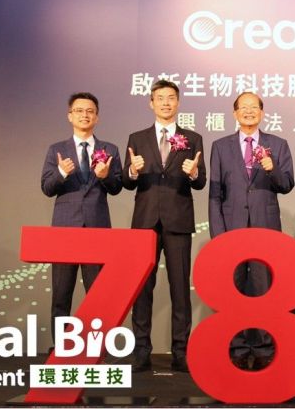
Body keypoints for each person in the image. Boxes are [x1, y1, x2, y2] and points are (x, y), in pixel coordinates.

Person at [123, 80, 206, 373]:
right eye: (160, 98)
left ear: (178, 102)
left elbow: (201, 181)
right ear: (151, 103)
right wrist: (133, 170)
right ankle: (141, 351)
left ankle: (181, 352)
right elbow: (125, 181)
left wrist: (193, 173)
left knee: (180, 287)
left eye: (171, 98)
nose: (166, 103)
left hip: (178, 219)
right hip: (145, 221)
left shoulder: (192, 138)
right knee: (142, 288)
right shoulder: (137, 138)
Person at [208, 92, 295, 371]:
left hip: (264, 228)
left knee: (262, 289)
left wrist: (272, 169)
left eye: (253, 107)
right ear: (234, 113)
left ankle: (262, 348)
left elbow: (287, 185)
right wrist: (218, 235)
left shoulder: (277, 144)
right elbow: (215, 195)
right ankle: (236, 347)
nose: (248, 111)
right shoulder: (220, 146)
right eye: (243, 107)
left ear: (262, 112)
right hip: (231, 229)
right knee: (232, 291)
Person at [40, 92, 122, 345]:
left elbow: (117, 187)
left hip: (97, 228)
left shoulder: (109, 149)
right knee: (61, 294)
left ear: (97, 117)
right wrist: (61, 173)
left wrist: (106, 176)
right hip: (65, 230)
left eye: (90, 111)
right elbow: (47, 188)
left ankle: (95, 349)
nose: (84, 115)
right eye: (79, 111)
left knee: (97, 296)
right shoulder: (57, 150)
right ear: (70, 116)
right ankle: (61, 348)